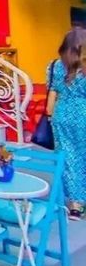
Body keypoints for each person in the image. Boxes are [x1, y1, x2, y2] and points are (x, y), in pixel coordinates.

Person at [46, 28, 86, 219]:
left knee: (67, 159)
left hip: (61, 116)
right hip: (83, 115)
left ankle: (74, 205)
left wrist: (51, 113)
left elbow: (52, 93)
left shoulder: (54, 65)